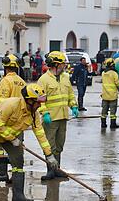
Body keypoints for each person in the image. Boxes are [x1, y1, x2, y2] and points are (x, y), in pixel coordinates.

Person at [37, 51, 78, 180]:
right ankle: (50, 170)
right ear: (55, 64)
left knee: (59, 145)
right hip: (51, 119)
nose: (63, 67)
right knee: (50, 146)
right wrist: (45, 113)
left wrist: (74, 106)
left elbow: (70, 94)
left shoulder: (65, 77)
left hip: (63, 117)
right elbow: (40, 100)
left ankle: (57, 169)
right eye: (61, 64)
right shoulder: (43, 80)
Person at [0, 54, 27, 184]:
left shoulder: (5, 81)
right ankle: (16, 176)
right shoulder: (22, 81)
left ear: (5, 67)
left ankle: (2, 174)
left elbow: (2, 102)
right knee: (16, 150)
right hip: (19, 122)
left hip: (5, 121)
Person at [101, 58, 119, 129]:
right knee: (113, 112)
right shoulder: (114, 73)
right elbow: (118, 83)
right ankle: (113, 125)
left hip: (105, 95)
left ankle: (103, 124)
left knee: (104, 111)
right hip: (113, 96)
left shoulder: (103, 73)